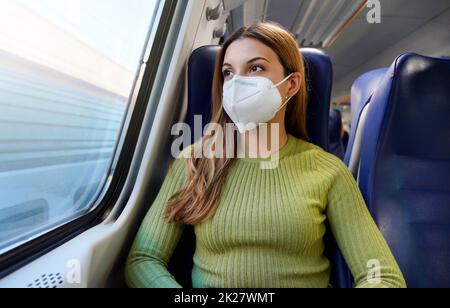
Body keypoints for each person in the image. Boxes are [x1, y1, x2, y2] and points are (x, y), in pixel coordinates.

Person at [125, 21, 406, 288]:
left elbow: (383, 276)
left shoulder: (327, 171)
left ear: (291, 84)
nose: (237, 83)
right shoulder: (195, 161)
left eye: (255, 68)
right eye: (228, 73)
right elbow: (144, 259)